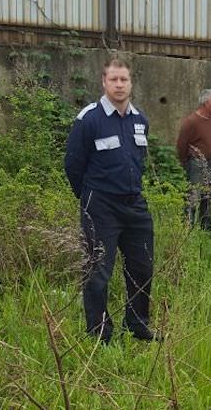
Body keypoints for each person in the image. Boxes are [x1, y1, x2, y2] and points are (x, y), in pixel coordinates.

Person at [64, 58, 158, 344]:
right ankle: (99, 333)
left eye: (124, 80)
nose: (119, 85)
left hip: (135, 206)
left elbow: (137, 161)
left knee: (142, 266)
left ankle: (138, 323)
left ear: (131, 83)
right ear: (103, 82)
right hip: (101, 207)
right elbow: (73, 164)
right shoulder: (89, 119)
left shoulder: (139, 120)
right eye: (114, 79)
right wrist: (90, 199)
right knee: (98, 271)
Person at [176, 89, 211, 232]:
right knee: (193, 197)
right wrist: (187, 162)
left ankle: (206, 229)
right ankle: (186, 229)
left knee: (208, 196)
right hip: (197, 164)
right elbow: (181, 145)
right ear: (206, 102)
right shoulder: (191, 122)